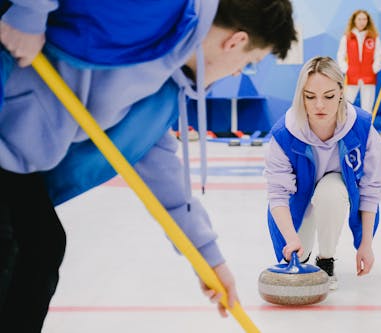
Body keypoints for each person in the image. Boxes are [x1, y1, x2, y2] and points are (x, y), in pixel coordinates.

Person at [0, 0, 297, 331]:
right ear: (236, 42)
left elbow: (161, 169)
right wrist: (29, 13)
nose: (238, 72)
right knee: (28, 246)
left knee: (39, 247)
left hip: (13, 160)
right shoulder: (155, 10)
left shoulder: (163, 80)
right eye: (249, 62)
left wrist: (209, 259)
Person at [263, 56, 381, 290]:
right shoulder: (284, 134)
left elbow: (371, 189)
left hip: (334, 197)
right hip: (298, 202)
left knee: (331, 189)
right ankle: (306, 255)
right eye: (310, 97)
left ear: (341, 91)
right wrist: (291, 239)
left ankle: (326, 260)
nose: (319, 105)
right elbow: (277, 195)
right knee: (298, 253)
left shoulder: (362, 128)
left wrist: (366, 244)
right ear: (301, 96)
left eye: (328, 96)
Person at [337, 9, 381, 114]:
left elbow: (379, 55)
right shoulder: (347, 37)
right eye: (359, 19)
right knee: (346, 105)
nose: (362, 22)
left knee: (367, 107)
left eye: (364, 19)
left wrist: (374, 68)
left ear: (368, 21)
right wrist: (346, 69)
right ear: (354, 20)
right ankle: (346, 128)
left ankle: (366, 129)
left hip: (369, 76)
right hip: (352, 75)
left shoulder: (373, 37)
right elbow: (341, 55)